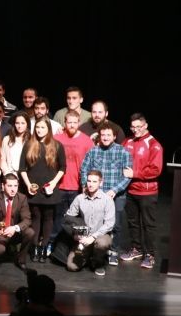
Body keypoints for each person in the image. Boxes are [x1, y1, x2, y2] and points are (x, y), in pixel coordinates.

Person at [80, 122, 132, 266]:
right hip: (97, 193)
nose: (106, 137)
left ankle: (113, 251)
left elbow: (127, 176)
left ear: (114, 136)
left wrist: (114, 190)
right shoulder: (93, 151)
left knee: (115, 225)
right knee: (95, 222)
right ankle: (95, 251)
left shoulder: (123, 152)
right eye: (103, 135)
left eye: (109, 135)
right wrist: (87, 186)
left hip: (116, 194)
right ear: (99, 136)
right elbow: (84, 170)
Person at [121, 113, 163, 269]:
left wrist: (135, 173)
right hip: (130, 190)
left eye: (139, 126)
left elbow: (155, 170)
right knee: (132, 223)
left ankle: (150, 255)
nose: (135, 130)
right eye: (133, 127)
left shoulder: (154, 145)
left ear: (145, 126)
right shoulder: (128, 141)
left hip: (147, 192)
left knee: (148, 225)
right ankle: (136, 249)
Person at [19, 118, 66, 263]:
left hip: (49, 189)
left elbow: (63, 168)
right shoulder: (29, 144)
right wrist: (28, 185)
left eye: (43, 127)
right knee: (36, 217)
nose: (39, 130)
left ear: (48, 129)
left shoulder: (57, 145)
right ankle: (34, 247)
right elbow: (22, 168)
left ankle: (44, 247)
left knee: (48, 217)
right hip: (33, 189)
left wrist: (53, 183)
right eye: (37, 127)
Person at [53, 170, 115, 276]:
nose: (90, 184)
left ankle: (98, 263)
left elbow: (109, 224)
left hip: (100, 236)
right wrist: (75, 234)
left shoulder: (107, 200)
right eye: (89, 181)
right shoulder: (80, 198)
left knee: (102, 243)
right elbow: (68, 218)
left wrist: (93, 237)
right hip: (83, 238)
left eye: (94, 181)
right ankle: (88, 256)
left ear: (101, 183)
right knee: (71, 266)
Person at [50, 110, 94, 254]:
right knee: (57, 218)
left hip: (77, 187)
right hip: (59, 185)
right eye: (69, 122)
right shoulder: (56, 138)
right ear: (65, 122)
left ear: (79, 123)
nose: (72, 125)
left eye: (75, 122)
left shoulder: (86, 141)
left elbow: (91, 165)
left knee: (75, 221)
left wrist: (87, 186)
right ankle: (52, 245)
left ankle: (72, 248)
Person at [0, 174, 34, 271]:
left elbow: (27, 219)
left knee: (30, 232)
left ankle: (21, 260)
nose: (13, 189)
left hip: (14, 233)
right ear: (3, 186)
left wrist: (14, 228)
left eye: (15, 186)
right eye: (9, 186)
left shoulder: (22, 198)